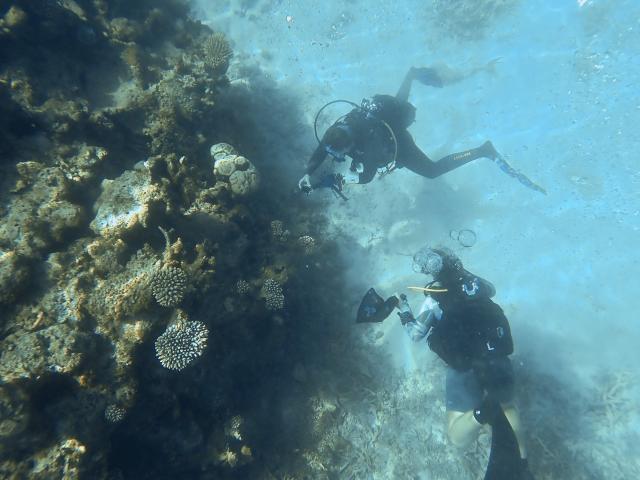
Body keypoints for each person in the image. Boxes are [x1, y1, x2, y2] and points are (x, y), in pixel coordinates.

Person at [357, 247, 535, 479]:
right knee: (507, 404)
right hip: (498, 357)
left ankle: (481, 413)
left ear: (430, 272)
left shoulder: (434, 299)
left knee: (456, 436)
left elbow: (416, 334)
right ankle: (522, 464)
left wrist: (405, 311)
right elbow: (490, 289)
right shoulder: (478, 287)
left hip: (466, 366)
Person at [298, 65, 501, 193]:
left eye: (339, 153)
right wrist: (308, 173)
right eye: (333, 152)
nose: (338, 157)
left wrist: (342, 180)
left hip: (397, 142)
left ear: (350, 144)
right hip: (382, 118)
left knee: (431, 171)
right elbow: (321, 151)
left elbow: (367, 177)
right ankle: (411, 75)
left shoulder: (370, 146)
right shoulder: (333, 134)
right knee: (396, 106)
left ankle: (483, 150)